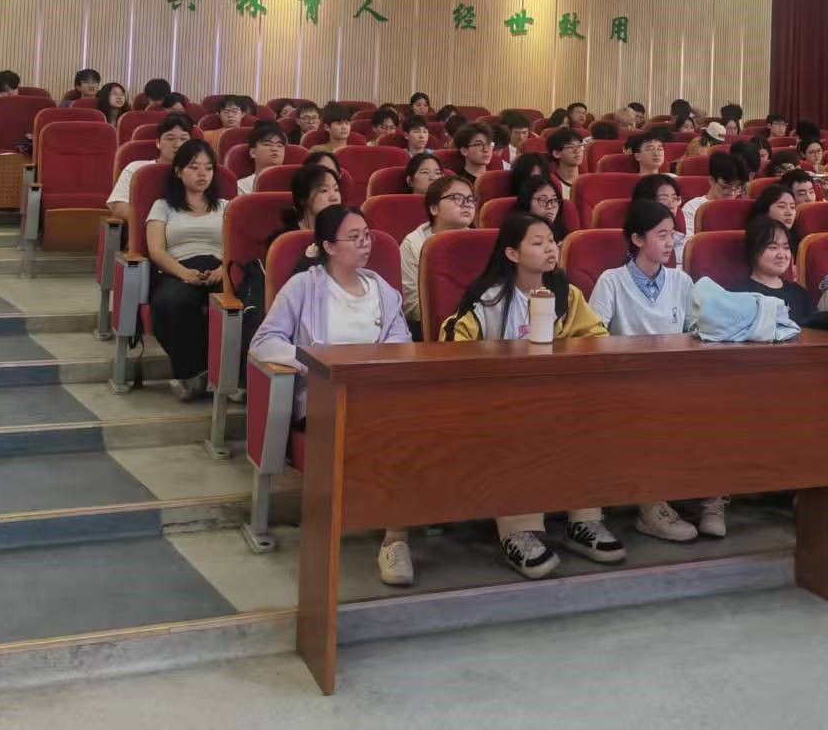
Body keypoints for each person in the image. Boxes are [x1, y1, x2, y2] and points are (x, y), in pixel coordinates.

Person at [441, 211, 625, 576]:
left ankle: (584, 520)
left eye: (552, 241)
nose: (550, 249)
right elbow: (453, 347)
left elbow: (595, 338)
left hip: (556, 396)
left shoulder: (565, 294)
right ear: (512, 253)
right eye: (538, 243)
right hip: (498, 402)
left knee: (590, 419)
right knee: (517, 428)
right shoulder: (487, 300)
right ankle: (518, 531)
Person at [249, 205, 416, 586]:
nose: (365, 244)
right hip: (322, 399)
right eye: (354, 237)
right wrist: (315, 362)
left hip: (376, 396)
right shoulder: (304, 287)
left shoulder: (382, 290)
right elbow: (264, 342)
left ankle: (395, 537)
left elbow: (401, 343)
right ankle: (393, 532)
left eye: (367, 235)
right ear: (328, 246)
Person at [590, 200, 720, 541]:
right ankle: (652, 507)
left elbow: (696, 332)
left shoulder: (681, 280)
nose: (670, 242)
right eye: (661, 234)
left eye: (672, 234)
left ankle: (713, 501)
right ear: (637, 239)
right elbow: (592, 338)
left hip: (675, 379)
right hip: (625, 382)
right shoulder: (611, 281)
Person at [145, 139, 228, 401]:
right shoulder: (163, 206)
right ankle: (191, 375)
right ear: (179, 171)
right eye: (194, 167)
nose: (202, 173)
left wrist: (223, 269)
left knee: (238, 303)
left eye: (208, 168)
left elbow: (237, 246)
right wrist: (184, 273)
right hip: (178, 268)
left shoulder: (226, 206)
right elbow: (156, 250)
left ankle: (232, 376)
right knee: (171, 302)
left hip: (218, 268)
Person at [397, 174, 476, 333]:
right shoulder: (414, 244)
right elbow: (411, 306)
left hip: (478, 324)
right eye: (456, 198)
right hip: (432, 331)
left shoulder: (481, 241)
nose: (467, 204)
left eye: (470, 199)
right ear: (434, 208)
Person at [107, 113, 192, 221]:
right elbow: (119, 207)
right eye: (170, 138)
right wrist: (155, 223)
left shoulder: (198, 171)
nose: (177, 145)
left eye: (183, 139)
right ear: (158, 143)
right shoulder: (136, 168)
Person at [742, 215, 815, 325]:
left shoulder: (799, 293)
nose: (782, 255)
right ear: (754, 251)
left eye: (786, 248)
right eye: (773, 248)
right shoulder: (741, 296)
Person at [683, 152, 745, 234]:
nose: (732, 193)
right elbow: (690, 241)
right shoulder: (693, 208)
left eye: (737, 187)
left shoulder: (742, 209)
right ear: (711, 180)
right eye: (726, 187)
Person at [634, 173, 685, 265]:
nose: (671, 204)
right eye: (664, 198)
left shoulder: (685, 242)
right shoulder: (637, 240)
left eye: (674, 198)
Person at [233, 121, 288, 195]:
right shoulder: (241, 186)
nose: (275, 148)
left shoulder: (293, 181)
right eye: (267, 144)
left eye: (279, 145)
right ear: (252, 152)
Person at [513, 173, 570, 242]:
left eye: (554, 200)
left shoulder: (561, 230)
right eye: (543, 200)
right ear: (527, 202)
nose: (550, 206)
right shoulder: (518, 233)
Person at [543, 127, 583, 199]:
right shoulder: (550, 186)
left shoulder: (589, 182)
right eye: (571, 147)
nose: (577, 151)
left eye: (580, 146)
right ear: (556, 154)